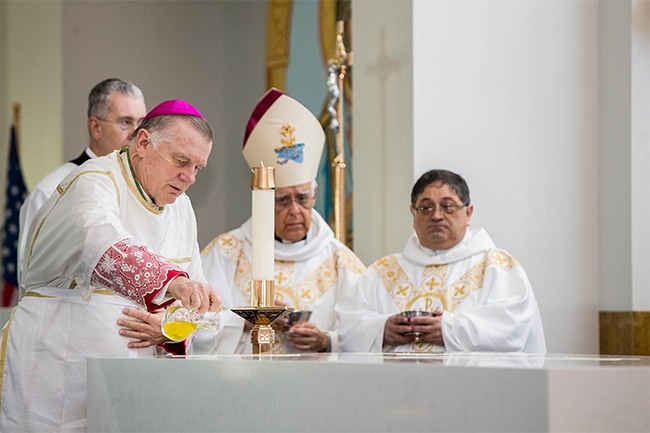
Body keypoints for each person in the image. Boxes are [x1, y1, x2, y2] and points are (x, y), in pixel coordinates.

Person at [0, 99, 221, 432]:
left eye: (198, 169)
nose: (189, 177)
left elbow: (199, 306)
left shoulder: (182, 209)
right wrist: (173, 282)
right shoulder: (96, 178)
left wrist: (169, 329)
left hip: (132, 387)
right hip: (56, 370)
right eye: (181, 161)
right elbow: (98, 241)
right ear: (143, 143)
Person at [195, 88, 365, 354]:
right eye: (283, 200)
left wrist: (326, 341)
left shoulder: (340, 260)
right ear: (263, 201)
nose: (296, 210)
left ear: (315, 194)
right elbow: (192, 323)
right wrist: (244, 322)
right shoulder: (226, 252)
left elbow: (364, 332)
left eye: (303, 198)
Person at [336, 169, 546, 353]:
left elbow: (512, 329)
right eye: (426, 208)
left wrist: (448, 329)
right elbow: (348, 327)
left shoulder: (497, 266)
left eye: (448, 206)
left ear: (468, 212)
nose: (436, 215)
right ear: (413, 213)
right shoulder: (382, 271)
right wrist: (382, 330)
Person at [17, 78, 147, 292]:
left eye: (141, 122)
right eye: (125, 122)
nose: (136, 133)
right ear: (96, 127)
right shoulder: (51, 190)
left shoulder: (142, 189)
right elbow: (32, 279)